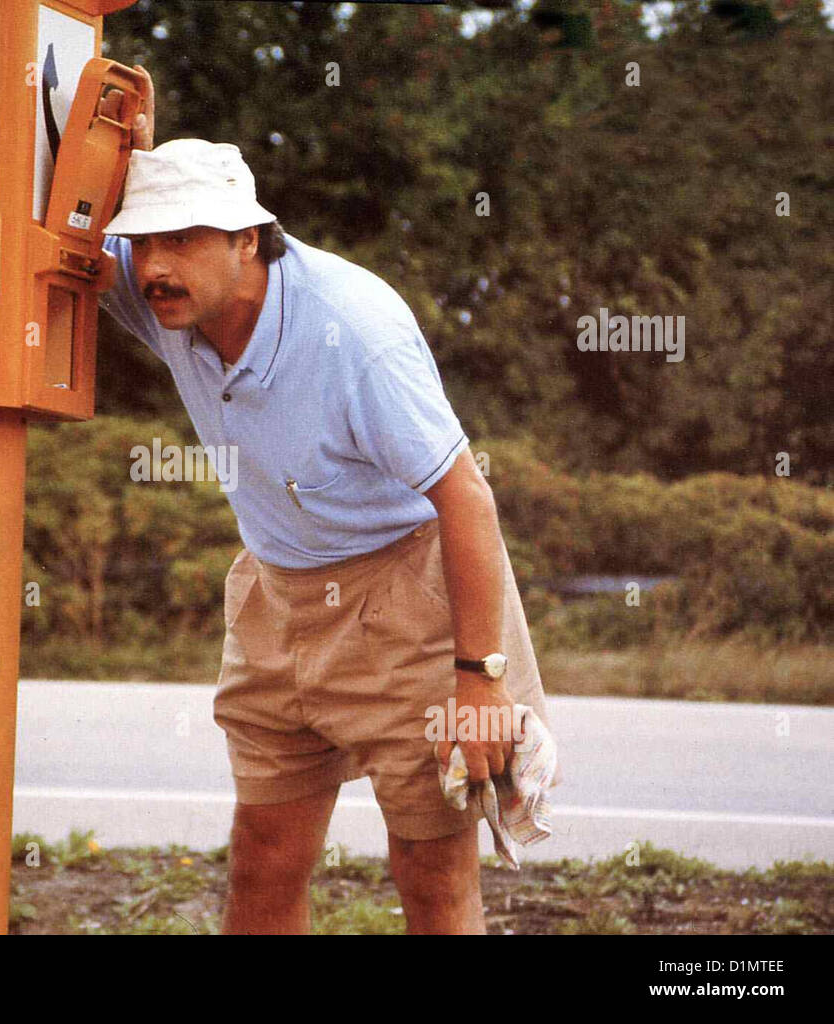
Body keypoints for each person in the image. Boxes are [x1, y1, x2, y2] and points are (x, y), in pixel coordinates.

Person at [95, 69, 555, 935]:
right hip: (277, 593)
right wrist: (115, 141)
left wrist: (480, 682)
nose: (153, 267)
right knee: (262, 856)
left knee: (431, 872)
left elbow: (466, 497)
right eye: (143, 242)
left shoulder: (356, 333)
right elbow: (65, 224)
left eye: (185, 239)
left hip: (408, 605)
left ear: (249, 239)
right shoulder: (168, 297)